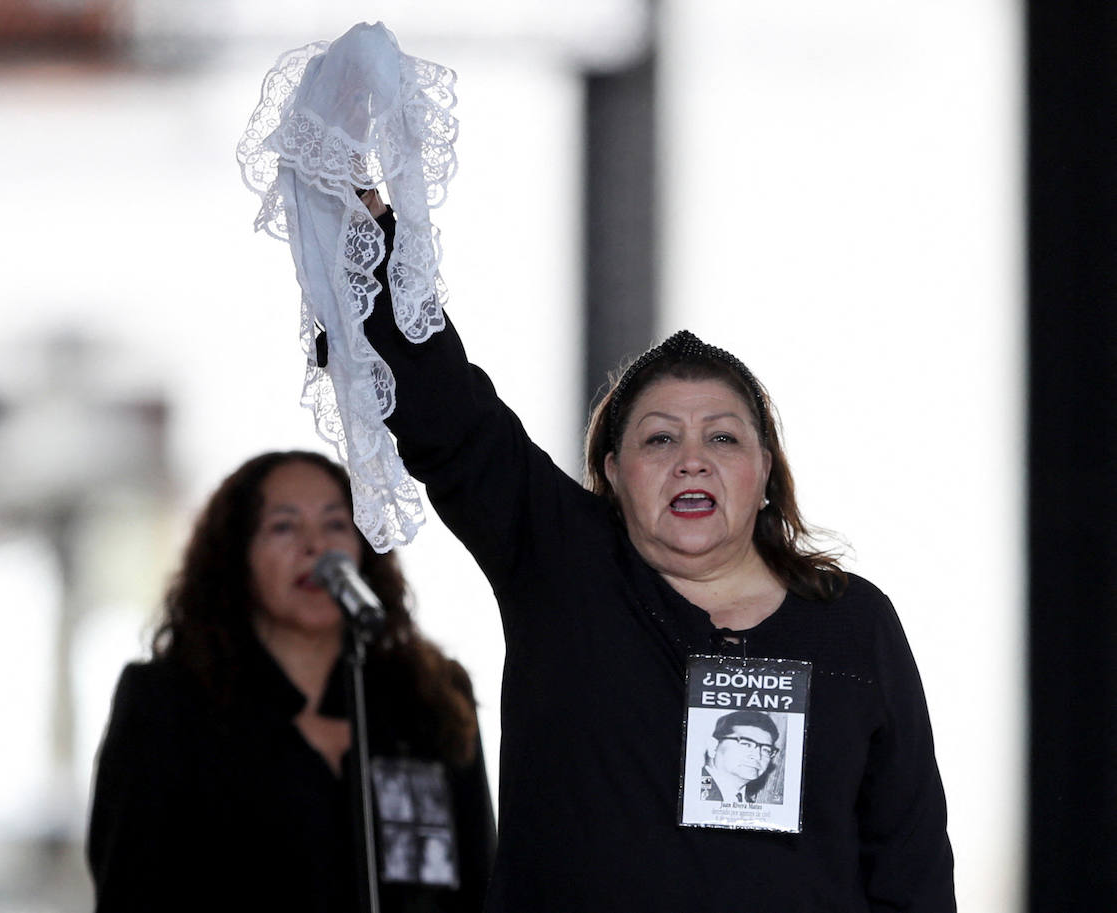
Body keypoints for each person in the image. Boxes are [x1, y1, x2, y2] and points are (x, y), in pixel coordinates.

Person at [351, 191, 954, 911]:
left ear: (765, 469)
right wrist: (367, 227)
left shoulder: (853, 622)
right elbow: (449, 412)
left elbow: (910, 864)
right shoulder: (564, 568)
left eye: (723, 438)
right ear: (611, 471)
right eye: (660, 438)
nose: (691, 460)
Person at [86, 450, 496, 912]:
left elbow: (481, 881)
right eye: (283, 526)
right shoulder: (166, 702)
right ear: (236, 556)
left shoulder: (431, 694)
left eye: (337, 525)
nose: (315, 546)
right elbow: (129, 888)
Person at [699, 709, 781, 803]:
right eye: (746, 744)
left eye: (766, 750)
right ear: (713, 747)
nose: (757, 756)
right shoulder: (692, 790)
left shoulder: (751, 805)